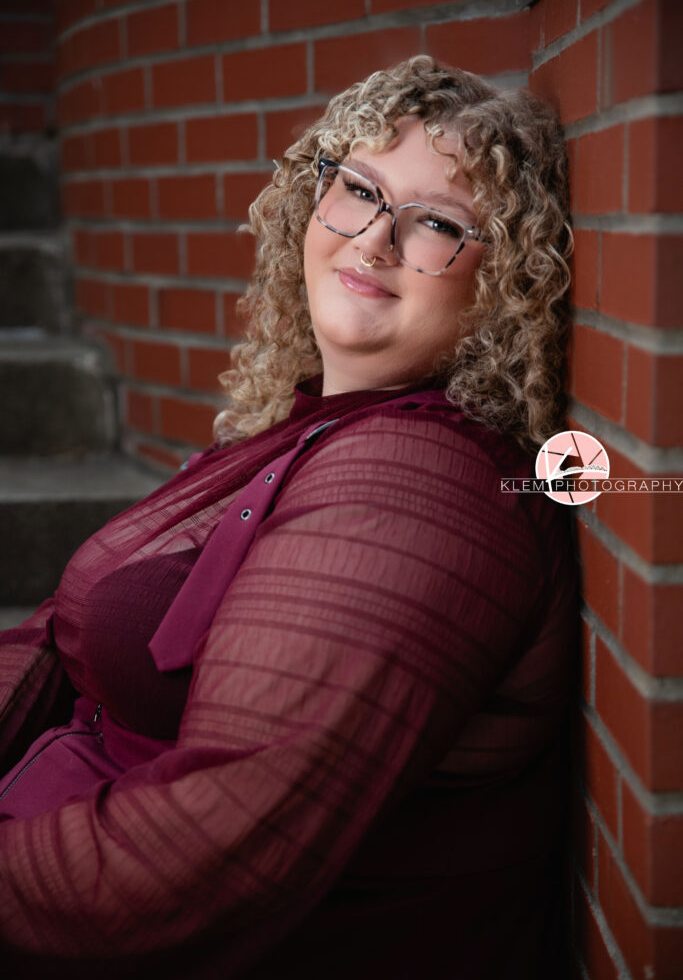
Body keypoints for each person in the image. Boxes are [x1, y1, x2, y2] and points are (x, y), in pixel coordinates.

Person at [0, 55, 578, 978]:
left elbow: (204, 858)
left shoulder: (420, 486)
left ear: (507, 281)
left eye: (437, 223)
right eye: (356, 190)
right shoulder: (312, 421)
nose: (372, 241)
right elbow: (51, 631)